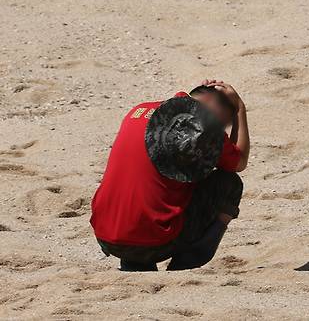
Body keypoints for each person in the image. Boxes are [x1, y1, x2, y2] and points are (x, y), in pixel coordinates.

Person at [90, 79, 250, 271]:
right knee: (228, 183)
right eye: (224, 122)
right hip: (154, 242)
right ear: (211, 104)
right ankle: (187, 263)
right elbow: (238, 162)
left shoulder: (139, 110)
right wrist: (240, 109)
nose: (221, 130)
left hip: (106, 235)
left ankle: (136, 264)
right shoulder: (202, 124)